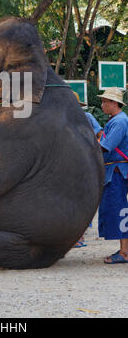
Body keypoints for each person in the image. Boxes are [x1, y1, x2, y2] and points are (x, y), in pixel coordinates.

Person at [97, 87, 128, 264]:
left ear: (114, 103)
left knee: (119, 209)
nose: (102, 105)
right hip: (115, 170)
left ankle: (124, 252)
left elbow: (105, 146)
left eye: (105, 101)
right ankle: (124, 249)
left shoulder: (119, 122)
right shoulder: (116, 120)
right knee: (117, 209)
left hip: (117, 171)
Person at [72, 92, 103, 247]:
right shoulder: (61, 118)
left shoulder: (87, 118)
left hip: (85, 163)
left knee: (81, 198)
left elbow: (100, 135)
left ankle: (80, 237)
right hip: (68, 164)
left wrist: (90, 148)